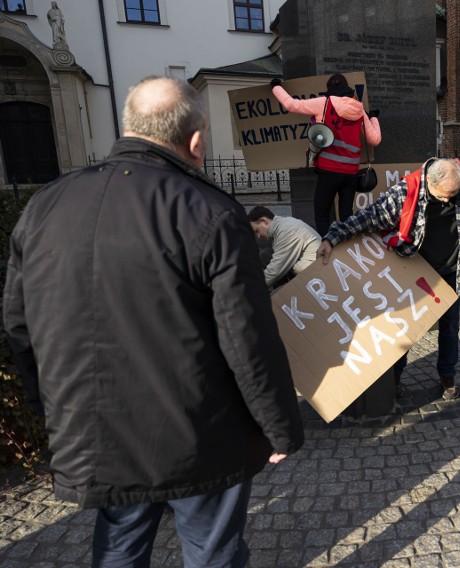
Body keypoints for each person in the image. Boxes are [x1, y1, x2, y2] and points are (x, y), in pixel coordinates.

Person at [2, 76, 304, 567]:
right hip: (200, 434)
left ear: (130, 126)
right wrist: (279, 428)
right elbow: (247, 338)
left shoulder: (44, 206)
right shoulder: (211, 211)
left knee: (119, 548)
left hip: (100, 429)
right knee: (211, 551)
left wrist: (53, 409)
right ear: (196, 141)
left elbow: (20, 326)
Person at [317, 158, 460, 401]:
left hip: (449, 272)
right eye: (444, 195)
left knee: (450, 328)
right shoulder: (405, 193)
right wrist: (332, 237)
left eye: (454, 194)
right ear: (430, 183)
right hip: (415, 272)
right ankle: (395, 378)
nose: (449, 199)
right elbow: (369, 217)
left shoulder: (458, 186)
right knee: (406, 330)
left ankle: (447, 376)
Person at [270, 73, 382, 235]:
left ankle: (329, 248)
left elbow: (291, 105)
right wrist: (373, 119)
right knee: (346, 216)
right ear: (347, 89)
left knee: (322, 216)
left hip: (328, 172)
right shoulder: (359, 109)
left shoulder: (324, 104)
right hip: (350, 174)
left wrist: (276, 87)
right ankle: (346, 251)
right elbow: (375, 140)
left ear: (329, 89)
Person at [248, 206, 321, 289]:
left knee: (274, 265)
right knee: (265, 255)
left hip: (314, 273)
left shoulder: (286, 231)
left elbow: (275, 270)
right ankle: (282, 291)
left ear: (264, 221)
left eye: (257, 231)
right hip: (307, 265)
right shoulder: (282, 224)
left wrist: (251, 290)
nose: (258, 236)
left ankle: (283, 294)